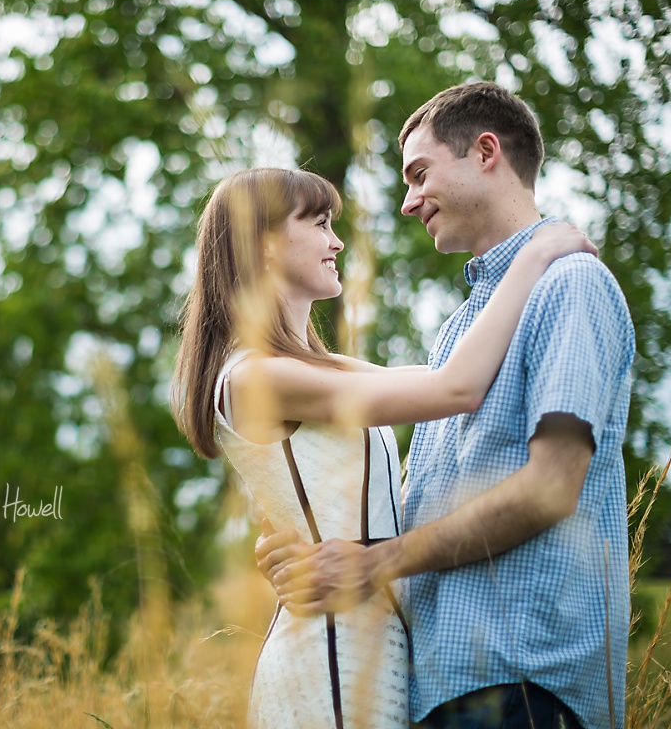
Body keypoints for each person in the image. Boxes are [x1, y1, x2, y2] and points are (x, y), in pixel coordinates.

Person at [257, 83, 635, 729]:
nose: (408, 202)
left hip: (525, 683)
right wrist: (318, 549)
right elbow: (432, 506)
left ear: (485, 151)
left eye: (419, 174)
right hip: (441, 686)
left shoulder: (570, 284)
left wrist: (373, 562)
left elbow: (549, 489)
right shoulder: (462, 333)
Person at [171, 166, 596, 729]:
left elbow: (451, 375)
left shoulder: (312, 368)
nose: (337, 241)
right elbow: (458, 388)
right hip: (330, 653)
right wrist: (536, 255)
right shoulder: (258, 377)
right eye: (320, 224)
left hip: (371, 641)